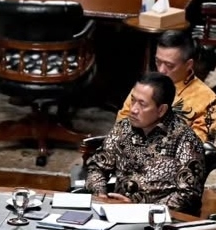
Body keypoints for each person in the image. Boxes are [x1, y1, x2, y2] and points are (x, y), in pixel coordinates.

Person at [85, 72, 206, 214]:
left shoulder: (185, 140)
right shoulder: (123, 128)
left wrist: (140, 210)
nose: (133, 110)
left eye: (142, 104)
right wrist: (101, 196)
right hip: (115, 212)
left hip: (158, 220)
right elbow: (97, 167)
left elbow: (188, 196)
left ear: (161, 110)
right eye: (133, 100)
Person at [115, 30, 216, 143]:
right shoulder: (145, 85)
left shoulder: (207, 99)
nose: (161, 70)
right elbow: (121, 122)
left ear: (188, 65)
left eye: (169, 65)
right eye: (158, 62)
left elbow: (199, 145)